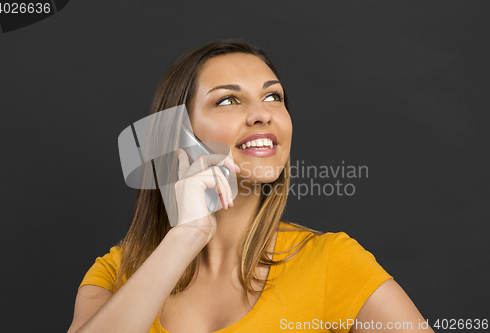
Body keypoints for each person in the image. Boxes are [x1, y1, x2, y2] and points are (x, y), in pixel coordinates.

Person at [67, 39, 434, 333]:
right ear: (178, 135)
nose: (263, 113)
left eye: (273, 96)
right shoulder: (117, 272)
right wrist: (186, 234)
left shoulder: (331, 263)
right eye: (228, 100)